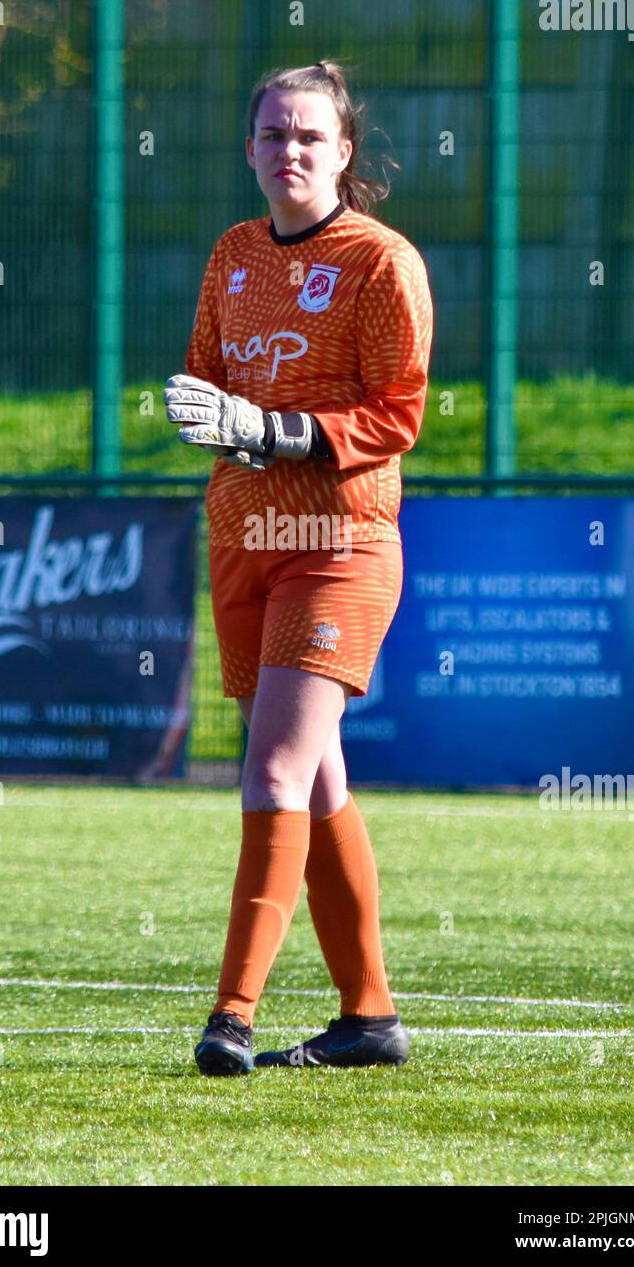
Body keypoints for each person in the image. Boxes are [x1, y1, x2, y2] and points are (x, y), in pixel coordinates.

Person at [164, 59, 433, 1075]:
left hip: (339, 542)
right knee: (313, 778)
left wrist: (268, 428)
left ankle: (229, 1015)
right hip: (243, 538)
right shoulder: (231, 252)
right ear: (247, 148)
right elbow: (212, 381)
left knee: (271, 766)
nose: (290, 151)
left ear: (344, 151)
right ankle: (368, 1019)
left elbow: (396, 413)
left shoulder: (377, 261)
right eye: (273, 134)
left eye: (309, 136)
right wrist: (213, 419)